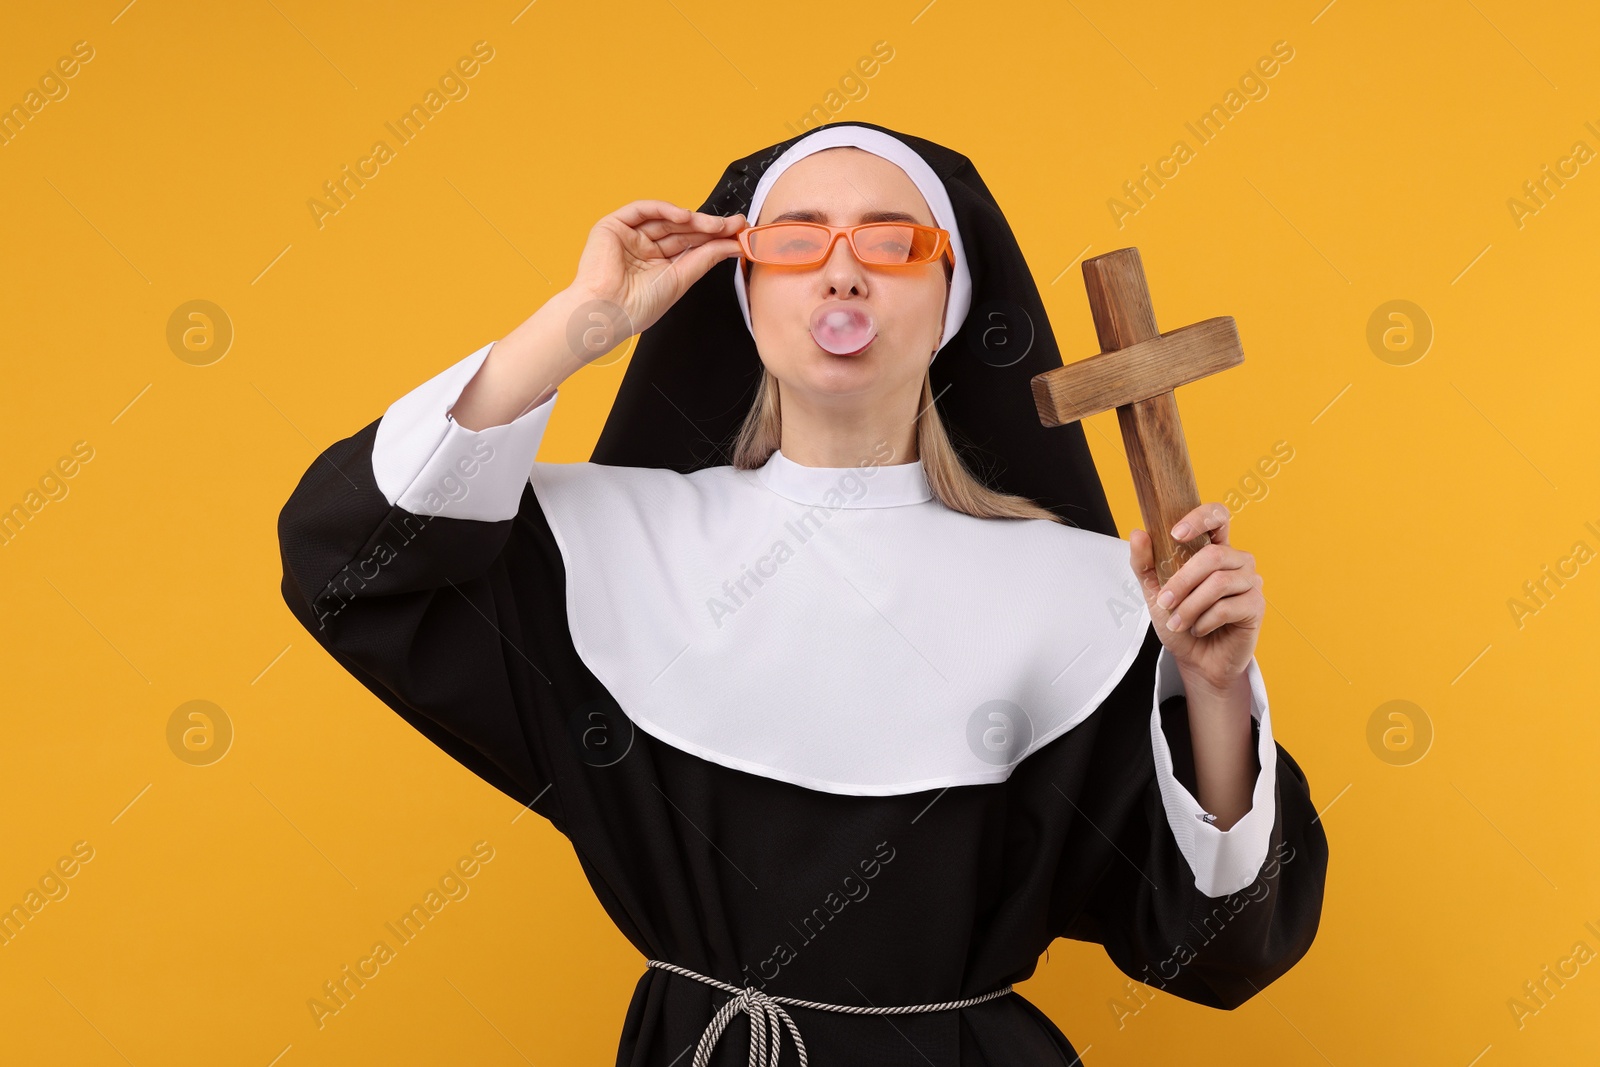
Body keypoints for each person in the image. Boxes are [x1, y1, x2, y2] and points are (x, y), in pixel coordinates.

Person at [277, 121, 1328, 1066]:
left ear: (952, 296)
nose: (840, 273)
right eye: (794, 238)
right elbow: (349, 561)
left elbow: (1215, 951)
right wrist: (583, 319)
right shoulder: (602, 543)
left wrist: (1211, 687)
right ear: (743, 286)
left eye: (889, 240)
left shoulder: (1090, 589)